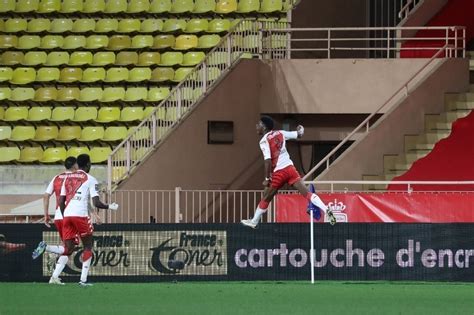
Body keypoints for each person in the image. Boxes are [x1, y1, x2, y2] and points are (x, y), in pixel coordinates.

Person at [241, 116, 337, 229]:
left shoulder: (263, 141)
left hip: (279, 172)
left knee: (266, 197)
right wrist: (301, 128)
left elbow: (267, 160)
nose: (256, 126)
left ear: (264, 126)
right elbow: (299, 134)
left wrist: (267, 179)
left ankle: (254, 221)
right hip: (290, 168)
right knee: (307, 193)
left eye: (259, 124)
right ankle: (326, 210)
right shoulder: (280, 133)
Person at [59, 154, 119, 286]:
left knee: (68, 248)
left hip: (67, 215)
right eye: (90, 163)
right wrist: (110, 206)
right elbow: (96, 203)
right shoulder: (91, 179)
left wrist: (65, 216)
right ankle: (83, 280)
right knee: (88, 246)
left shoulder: (67, 178)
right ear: (87, 164)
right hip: (80, 215)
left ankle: (47, 247)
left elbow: (61, 200)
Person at [32, 156, 78, 285]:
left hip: (58, 216)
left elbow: (46, 195)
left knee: (68, 248)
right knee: (70, 248)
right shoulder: (77, 178)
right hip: (70, 216)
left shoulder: (57, 177)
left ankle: (54, 277)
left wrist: (46, 214)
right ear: (75, 165)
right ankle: (47, 247)